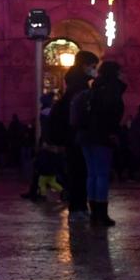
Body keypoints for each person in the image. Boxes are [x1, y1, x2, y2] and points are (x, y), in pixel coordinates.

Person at [82, 61, 126, 227]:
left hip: (87, 135)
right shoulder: (112, 89)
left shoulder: (94, 87)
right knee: (101, 174)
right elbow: (111, 113)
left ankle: (94, 210)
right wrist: (113, 132)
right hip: (102, 135)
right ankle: (101, 212)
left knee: (92, 174)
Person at [54, 55, 96, 217]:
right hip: (76, 134)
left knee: (77, 171)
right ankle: (78, 207)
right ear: (84, 66)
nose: (94, 70)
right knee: (79, 171)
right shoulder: (79, 87)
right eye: (92, 66)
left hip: (72, 134)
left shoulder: (74, 84)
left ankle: (79, 206)